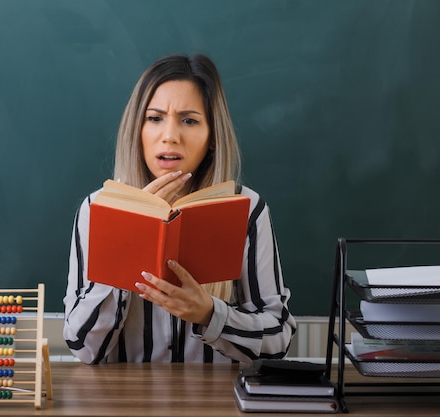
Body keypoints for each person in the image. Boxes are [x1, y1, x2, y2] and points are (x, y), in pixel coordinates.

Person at [63, 54, 296, 364]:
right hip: (123, 402)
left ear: (212, 137)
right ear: (138, 131)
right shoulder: (97, 210)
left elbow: (279, 337)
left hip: (216, 402)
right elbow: (83, 348)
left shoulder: (248, 210)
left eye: (189, 120)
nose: (170, 136)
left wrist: (209, 314)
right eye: (155, 118)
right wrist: (126, 238)